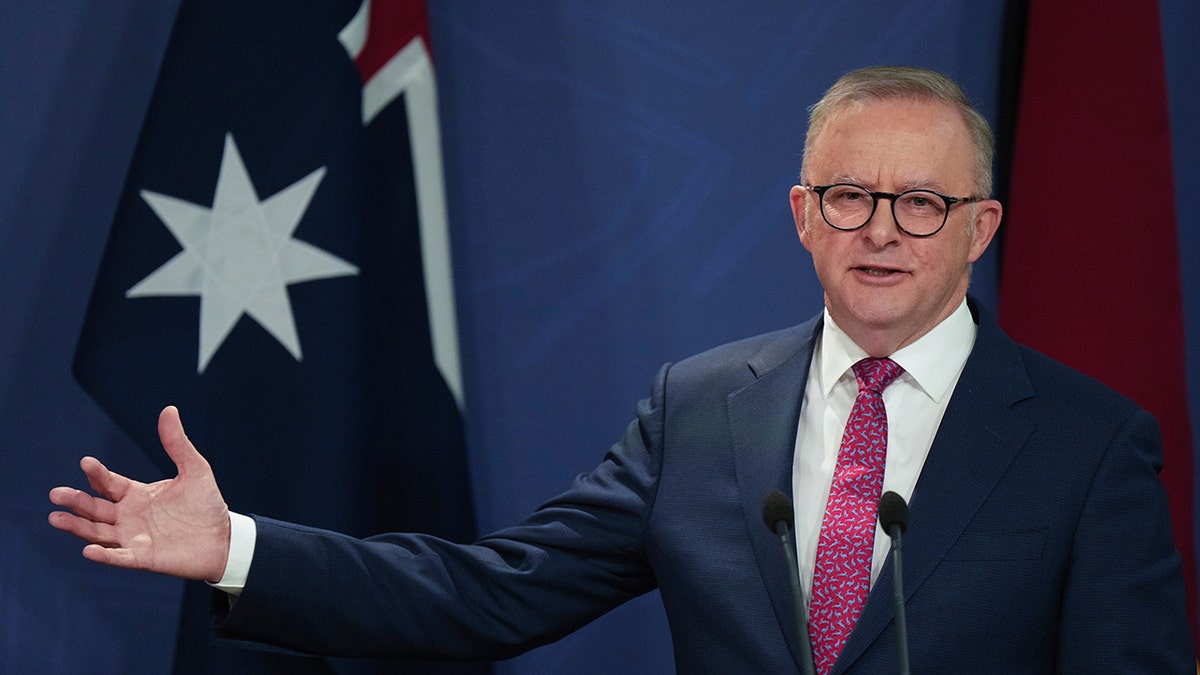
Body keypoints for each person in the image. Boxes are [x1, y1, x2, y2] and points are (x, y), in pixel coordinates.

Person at [49, 66, 1194, 673]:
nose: (881, 230)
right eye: (850, 196)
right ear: (803, 215)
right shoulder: (701, 410)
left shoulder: (1088, 444)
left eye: (922, 203)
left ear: (980, 226)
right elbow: (489, 595)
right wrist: (240, 547)